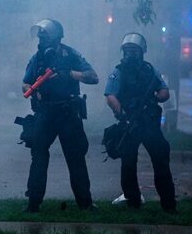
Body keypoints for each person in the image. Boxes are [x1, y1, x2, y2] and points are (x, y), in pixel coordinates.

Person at [21, 19, 98, 212]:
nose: (41, 40)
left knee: (75, 158)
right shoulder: (37, 58)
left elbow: (93, 76)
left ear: (55, 37)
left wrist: (70, 74)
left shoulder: (71, 55)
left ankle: (85, 203)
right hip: (45, 113)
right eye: (39, 37)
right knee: (38, 156)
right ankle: (33, 204)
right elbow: (25, 83)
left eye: (44, 36)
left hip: (68, 114)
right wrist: (33, 89)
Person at [104, 32, 177, 213]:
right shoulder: (118, 71)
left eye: (134, 51)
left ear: (142, 51)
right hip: (130, 124)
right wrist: (122, 114)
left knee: (160, 160)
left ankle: (168, 205)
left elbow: (164, 92)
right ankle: (133, 201)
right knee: (128, 164)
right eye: (127, 51)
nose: (130, 54)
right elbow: (110, 95)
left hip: (149, 124)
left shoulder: (150, 70)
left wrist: (154, 97)